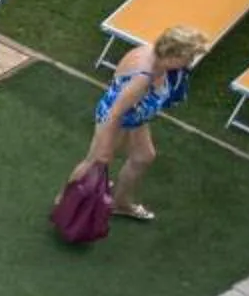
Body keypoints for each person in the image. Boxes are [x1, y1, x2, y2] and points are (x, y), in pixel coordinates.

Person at [75, 25, 206, 224]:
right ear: (174, 55)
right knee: (94, 161)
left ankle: (120, 204)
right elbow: (114, 113)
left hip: (135, 116)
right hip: (118, 119)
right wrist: (105, 146)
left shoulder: (156, 57)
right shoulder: (143, 78)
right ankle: (65, 201)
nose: (190, 63)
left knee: (143, 157)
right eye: (188, 57)